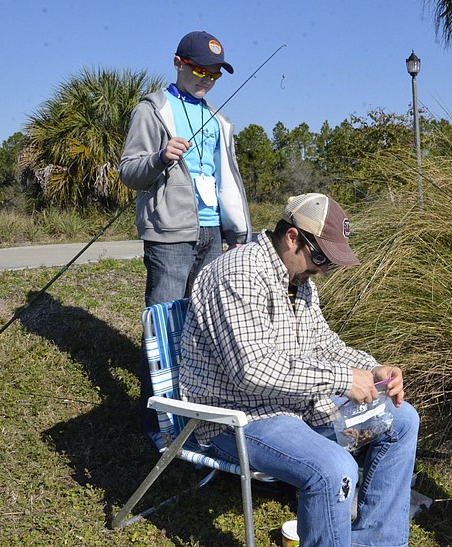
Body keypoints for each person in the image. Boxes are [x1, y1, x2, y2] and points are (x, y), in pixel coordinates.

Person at [179, 193, 420, 547]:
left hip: (294, 405)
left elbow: (324, 343)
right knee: (334, 469)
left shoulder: (300, 281)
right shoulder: (239, 273)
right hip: (237, 417)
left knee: (403, 420)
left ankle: (377, 541)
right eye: (320, 257)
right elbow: (252, 369)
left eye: (330, 262)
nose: (323, 270)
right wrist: (342, 380)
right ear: (292, 237)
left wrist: (372, 369)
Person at [119, 30, 251, 450]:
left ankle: (198, 420)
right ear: (178, 63)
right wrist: (160, 157)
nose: (206, 80)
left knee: (202, 329)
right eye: (199, 70)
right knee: (162, 331)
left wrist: (236, 233)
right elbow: (129, 171)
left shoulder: (219, 120)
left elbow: (225, 180)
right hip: (170, 234)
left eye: (214, 74)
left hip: (213, 235)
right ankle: (157, 426)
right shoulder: (152, 110)